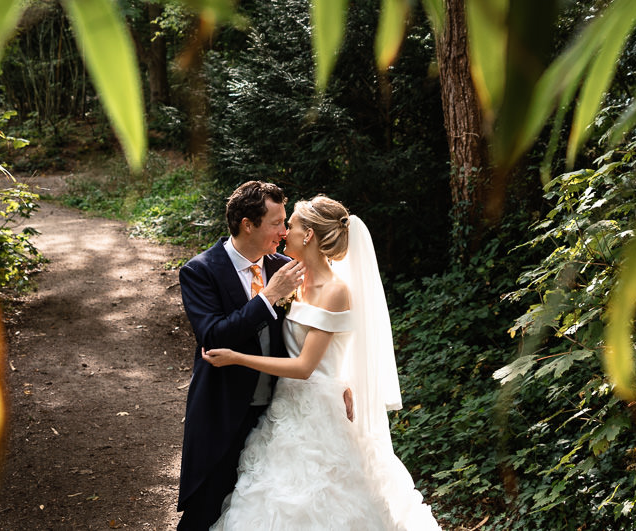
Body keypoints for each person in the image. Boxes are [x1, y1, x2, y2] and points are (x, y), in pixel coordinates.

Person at [201, 195, 441, 531]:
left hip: (318, 415)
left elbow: (304, 366)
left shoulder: (335, 291)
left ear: (309, 234)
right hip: (285, 408)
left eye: (292, 224)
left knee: (318, 502)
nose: (284, 232)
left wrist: (236, 358)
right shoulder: (293, 282)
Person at [175, 181, 307, 531]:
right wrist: (269, 297)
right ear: (248, 224)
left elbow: (313, 334)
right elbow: (213, 337)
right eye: (276, 223)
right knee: (207, 509)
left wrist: (338, 381)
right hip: (223, 410)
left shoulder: (284, 265)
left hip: (277, 413)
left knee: (258, 511)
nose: (284, 231)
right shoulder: (199, 271)